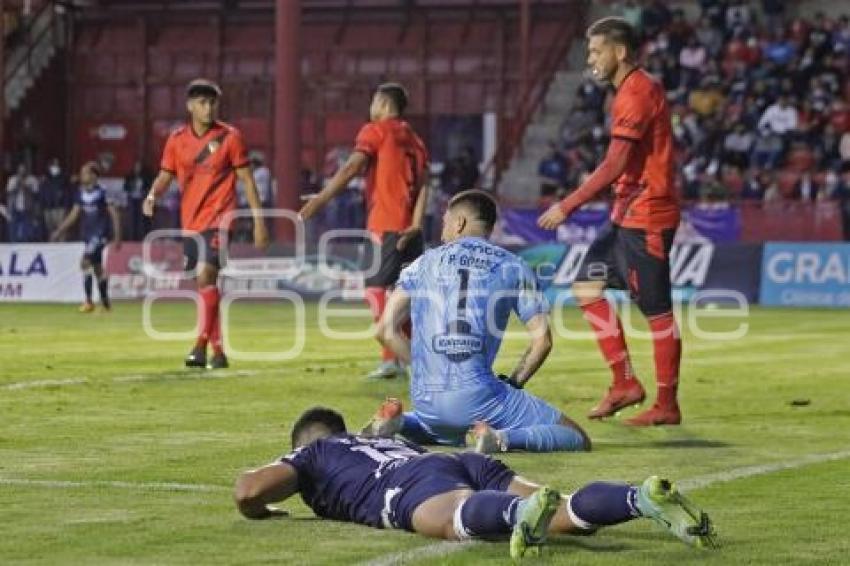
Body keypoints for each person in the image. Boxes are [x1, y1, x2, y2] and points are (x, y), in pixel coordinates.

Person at [234, 406, 716, 560]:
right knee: (565, 512)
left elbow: (249, 491)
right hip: (459, 461)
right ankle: (641, 497)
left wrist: (264, 509)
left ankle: (514, 517)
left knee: (449, 521)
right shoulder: (372, 442)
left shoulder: (314, 451)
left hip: (410, 482)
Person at [363, 190, 589, 453]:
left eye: (445, 222)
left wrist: (427, 368)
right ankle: (500, 439)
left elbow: (384, 330)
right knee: (575, 435)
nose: (443, 230)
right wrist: (514, 382)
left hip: (426, 400)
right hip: (478, 399)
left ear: (459, 223)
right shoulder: (513, 266)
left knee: (447, 430)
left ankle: (399, 423)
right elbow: (542, 341)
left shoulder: (421, 263)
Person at [538, 18, 683, 426]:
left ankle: (667, 405)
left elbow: (616, 163)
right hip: (625, 214)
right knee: (586, 287)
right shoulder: (627, 92)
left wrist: (568, 205)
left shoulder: (637, 92)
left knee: (657, 313)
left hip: (647, 215)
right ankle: (624, 383)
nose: (591, 59)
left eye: (596, 51)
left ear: (619, 52)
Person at [299, 82, 430, 380]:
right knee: (401, 295)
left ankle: (393, 359)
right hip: (410, 229)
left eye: (373, 102)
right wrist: (417, 223)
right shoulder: (416, 140)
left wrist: (321, 198)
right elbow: (424, 185)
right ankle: (408, 358)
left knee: (374, 290)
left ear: (382, 104)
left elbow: (351, 168)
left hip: (385, 224)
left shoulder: (375, 130)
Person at [142, 79, 269, 369]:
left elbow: (247, 181)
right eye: (202, 102)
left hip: (221, 219)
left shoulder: (230, 137)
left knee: (205, 276)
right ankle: (219, 351)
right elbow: (165, 176)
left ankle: (199, 346)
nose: (208, 107)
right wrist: (152, 195)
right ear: (190, 106)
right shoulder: (176, 140)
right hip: (191, 222)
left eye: (212, 102)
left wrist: (259, 221)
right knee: (205, 285)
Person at [51, 162, 121, 313]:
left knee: (84, 262)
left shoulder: (103, 192)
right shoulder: (81, 193)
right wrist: (59, 230)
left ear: (94, 175)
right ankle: (106, 304)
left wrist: (117, 236)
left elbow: (114, 214)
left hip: (100, 234)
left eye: (85, 173)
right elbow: (74, 215)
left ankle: (89, 302)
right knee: (97, 269)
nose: (82, 176)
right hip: (88, 235)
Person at [123, 161, 152, 241]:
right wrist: (131, 189)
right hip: (132, 200)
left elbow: (149, 187)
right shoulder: (130, 176)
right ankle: (132, 238)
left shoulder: (146, 177)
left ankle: (143, 238)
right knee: (132, 220)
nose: (138, 169)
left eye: (139, 167)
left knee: (143, 220)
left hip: (142, 200)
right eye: (137, 167)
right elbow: (125, 187)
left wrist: (144, 192)